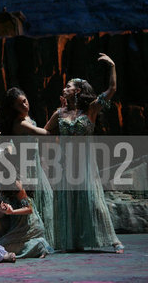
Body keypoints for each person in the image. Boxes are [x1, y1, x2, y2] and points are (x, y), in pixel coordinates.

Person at [44, 53, 124, 253]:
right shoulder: (59, 113)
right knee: (68, 202)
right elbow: (45, 131)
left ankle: (113, 240)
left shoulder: (91, 109)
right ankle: (72, 241)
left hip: (86, 164)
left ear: (77, 91)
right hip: (65, 163)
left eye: (68, 86)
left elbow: (112, 89)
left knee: (93, 201)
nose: (64, 88)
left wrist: (112, 65)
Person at [0, 146, 53, 259]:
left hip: (28, 226)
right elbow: (1, 212)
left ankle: (39, 245)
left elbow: (29, 208)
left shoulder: (14, 182)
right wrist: (1, 208)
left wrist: (12, 212)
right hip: (15, 225)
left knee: (0, 249)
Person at [0, 87, 54, 246]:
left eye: (25, 100)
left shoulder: (27, 118)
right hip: (26, 165)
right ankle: (34, 237)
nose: (25, 105)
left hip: (34, 163)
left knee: (45, 197)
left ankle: (45, 237)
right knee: (33, 200)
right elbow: (44, 134)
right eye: (20, 104)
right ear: (13, 108)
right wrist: (60, 118)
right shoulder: (20, 123)